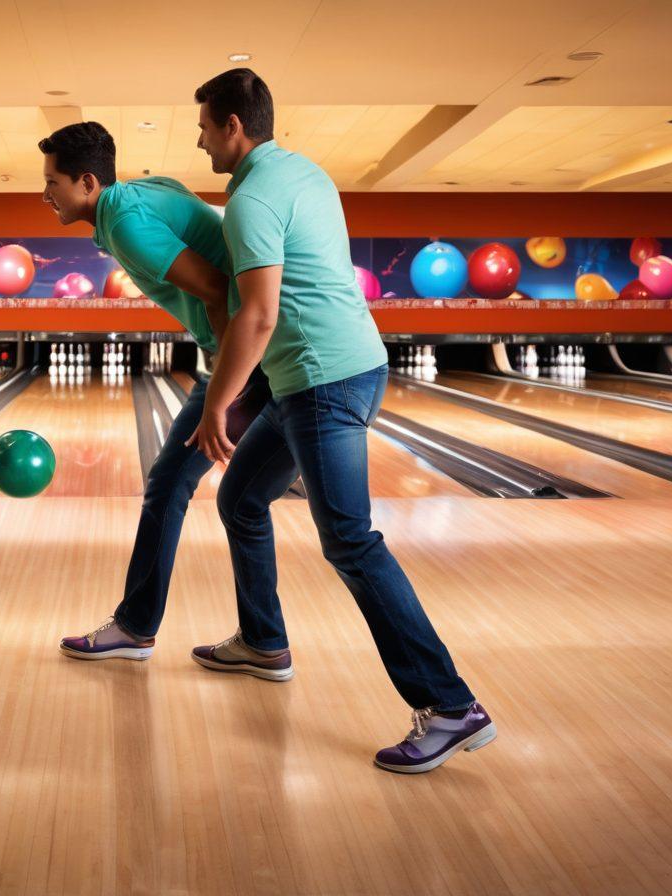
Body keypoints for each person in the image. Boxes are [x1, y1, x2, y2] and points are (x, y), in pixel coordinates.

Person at [186, 68, 496, 773]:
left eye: (204, 124)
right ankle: (264, 642)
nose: (198, 137)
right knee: (242, 498)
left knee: (351, 543)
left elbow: (258, 314)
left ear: (234, 125)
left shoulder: (252, 199)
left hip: (323, 380)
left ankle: (448, 706)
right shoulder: (304, 174)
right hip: (336, 370)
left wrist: (215, 402)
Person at [39, 122, 276, 670]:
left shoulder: (123, 224)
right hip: (258, 348)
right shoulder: (152, 189)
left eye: (52, 182)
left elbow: (217, 289)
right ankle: (262, 639)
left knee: (171, 485)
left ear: (87, 182)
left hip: (249, 355)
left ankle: (136, 627)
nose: (44, 193)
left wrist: (224, 381)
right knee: (236, 500)